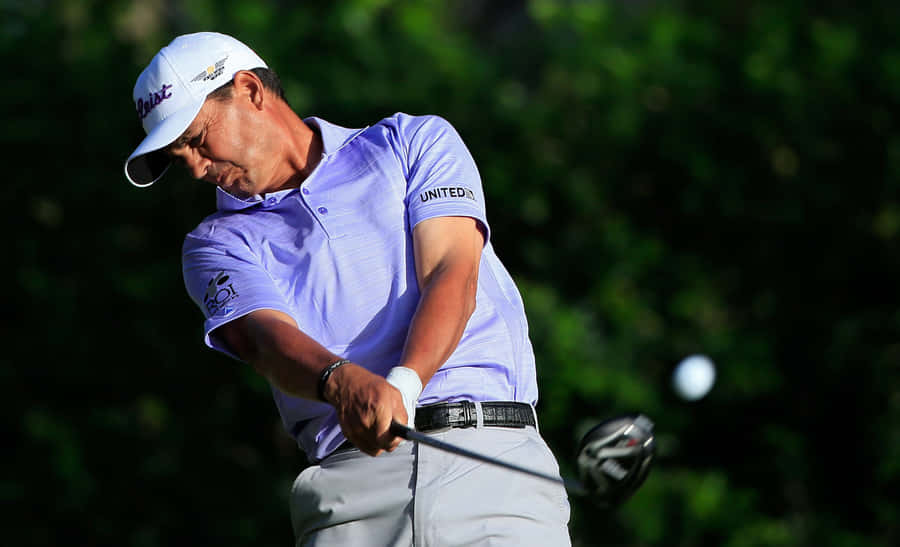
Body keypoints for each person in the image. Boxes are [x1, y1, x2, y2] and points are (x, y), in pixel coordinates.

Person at [124, 32, 571, 546]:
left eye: (198, 138)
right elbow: (264, 339)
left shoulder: (410, 142)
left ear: (249, 90)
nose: (198, 167)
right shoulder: (214, 243)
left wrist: (404, 383)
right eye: (180, 157)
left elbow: (452, 269)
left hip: (490, 467)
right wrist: (340, 380)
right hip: (350, 497)